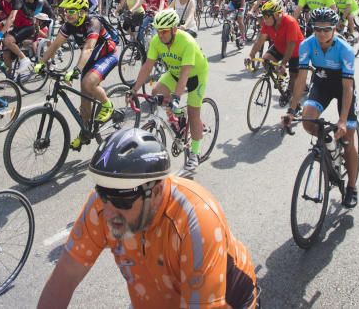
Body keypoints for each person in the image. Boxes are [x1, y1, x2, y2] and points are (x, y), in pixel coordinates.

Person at [37, 128, 259, 309]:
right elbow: (64, 278)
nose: (110, 210)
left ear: (156, 191)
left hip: (229, 300)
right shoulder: (101, 206)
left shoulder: (196, 220)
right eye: (104, 194)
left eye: (123, 200)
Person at [282, 8, 359, 208]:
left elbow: (347, 87)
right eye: (318, 29)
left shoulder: (345, 49)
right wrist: (292, 110)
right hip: (322, 84)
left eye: (327, 29)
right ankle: (329, 144)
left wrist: (342, 120)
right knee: (308, 122)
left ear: (335, 29)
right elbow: (301, 79)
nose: (322, 33)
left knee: (349, 140)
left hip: (343, 87)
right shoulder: (307, 44)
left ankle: (351, 187)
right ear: (313, 29)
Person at [34, 0, 119, 151]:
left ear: (82, 12)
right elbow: (55, 45)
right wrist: (41, 63)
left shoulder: (93, 23)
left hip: (108, 55)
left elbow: (88, 48)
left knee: (88, 82)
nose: (67, 14)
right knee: (85, 105)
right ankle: (84, 133)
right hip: (91, 59)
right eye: (66, 10)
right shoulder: (68, 25)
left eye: (72, 10)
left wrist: (76, 70)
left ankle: (108, 105)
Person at [129, 9, 210, 173]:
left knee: (194, 113)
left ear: (174, 29)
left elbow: (185, 74)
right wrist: (134, 89)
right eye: (158, 31)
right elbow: (147, 66)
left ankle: (194, 154)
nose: (161, 35)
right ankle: (177, 119)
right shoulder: (156, 41)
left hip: (195, 75)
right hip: (174, 73)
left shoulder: (187, 42)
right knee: (156, 91)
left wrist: (176, 98)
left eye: (164, 31)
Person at [247, 0, 303, 106]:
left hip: (295, 50)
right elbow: (260, 40)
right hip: (279, 46)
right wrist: (250, 55)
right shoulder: (267, 23)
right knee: (266, 60)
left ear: (277, 15)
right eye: (263, 16)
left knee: (293, 77)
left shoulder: (290, 22)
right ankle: (280, 77)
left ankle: (290, 94)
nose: (264, 19)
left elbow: (291, 45)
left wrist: (283, 63)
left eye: (267, 16)